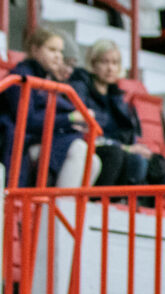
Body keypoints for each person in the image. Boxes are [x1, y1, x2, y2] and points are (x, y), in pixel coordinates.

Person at [0, 28, 101, 188]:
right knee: (79, 149)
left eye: (60, 51)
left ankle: (69, 209)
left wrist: (75, 122)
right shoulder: (21, 76)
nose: (58, 56)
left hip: (45, 140)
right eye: (52, 50)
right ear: (34, 49)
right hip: (23, 145)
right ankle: (56, 209)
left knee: (93, 161)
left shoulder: (49, 79)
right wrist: (70, 119)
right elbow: (28, 120)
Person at [70, 39, 165, 188]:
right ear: (93, 63)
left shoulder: (116, 95)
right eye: (104, 62)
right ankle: (104, 203)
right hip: (92, 144)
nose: (110, 68)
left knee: (160, 166)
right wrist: (126, 148)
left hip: (116, 148)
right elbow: (84, 128)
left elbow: (128, 132)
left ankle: (135, 208)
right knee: (126, 157)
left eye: (115, 63)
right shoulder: (80, 85)